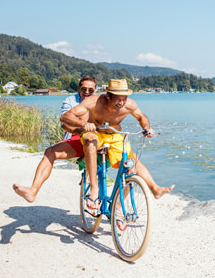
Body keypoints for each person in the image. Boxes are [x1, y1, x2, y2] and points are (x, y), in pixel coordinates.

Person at [61, 78, 174, 214]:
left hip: (115, 136)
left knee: (130, 167)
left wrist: (146, 128)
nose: (121, 103)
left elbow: (141, 117)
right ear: (108, 96)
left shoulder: (129, 105)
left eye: (124, 99)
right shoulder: (93, 102)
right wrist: (83, 124)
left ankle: (119, 208)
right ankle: (94, 189)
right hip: (95, 133)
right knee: (90, 141)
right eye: (118, 99)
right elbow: (65, 117)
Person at [12, 75, 97, 202]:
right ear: (79, 88)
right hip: (76, 138)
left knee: (131, 162)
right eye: (84, 89)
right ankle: (32, 191)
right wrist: (82, 127)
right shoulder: (70, 100)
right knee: (50, 152)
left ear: (95, 90)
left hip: (96, 140)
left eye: (90, 90)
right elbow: (65, 124)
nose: (87, 92)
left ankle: (118, 210)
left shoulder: (100, 102)